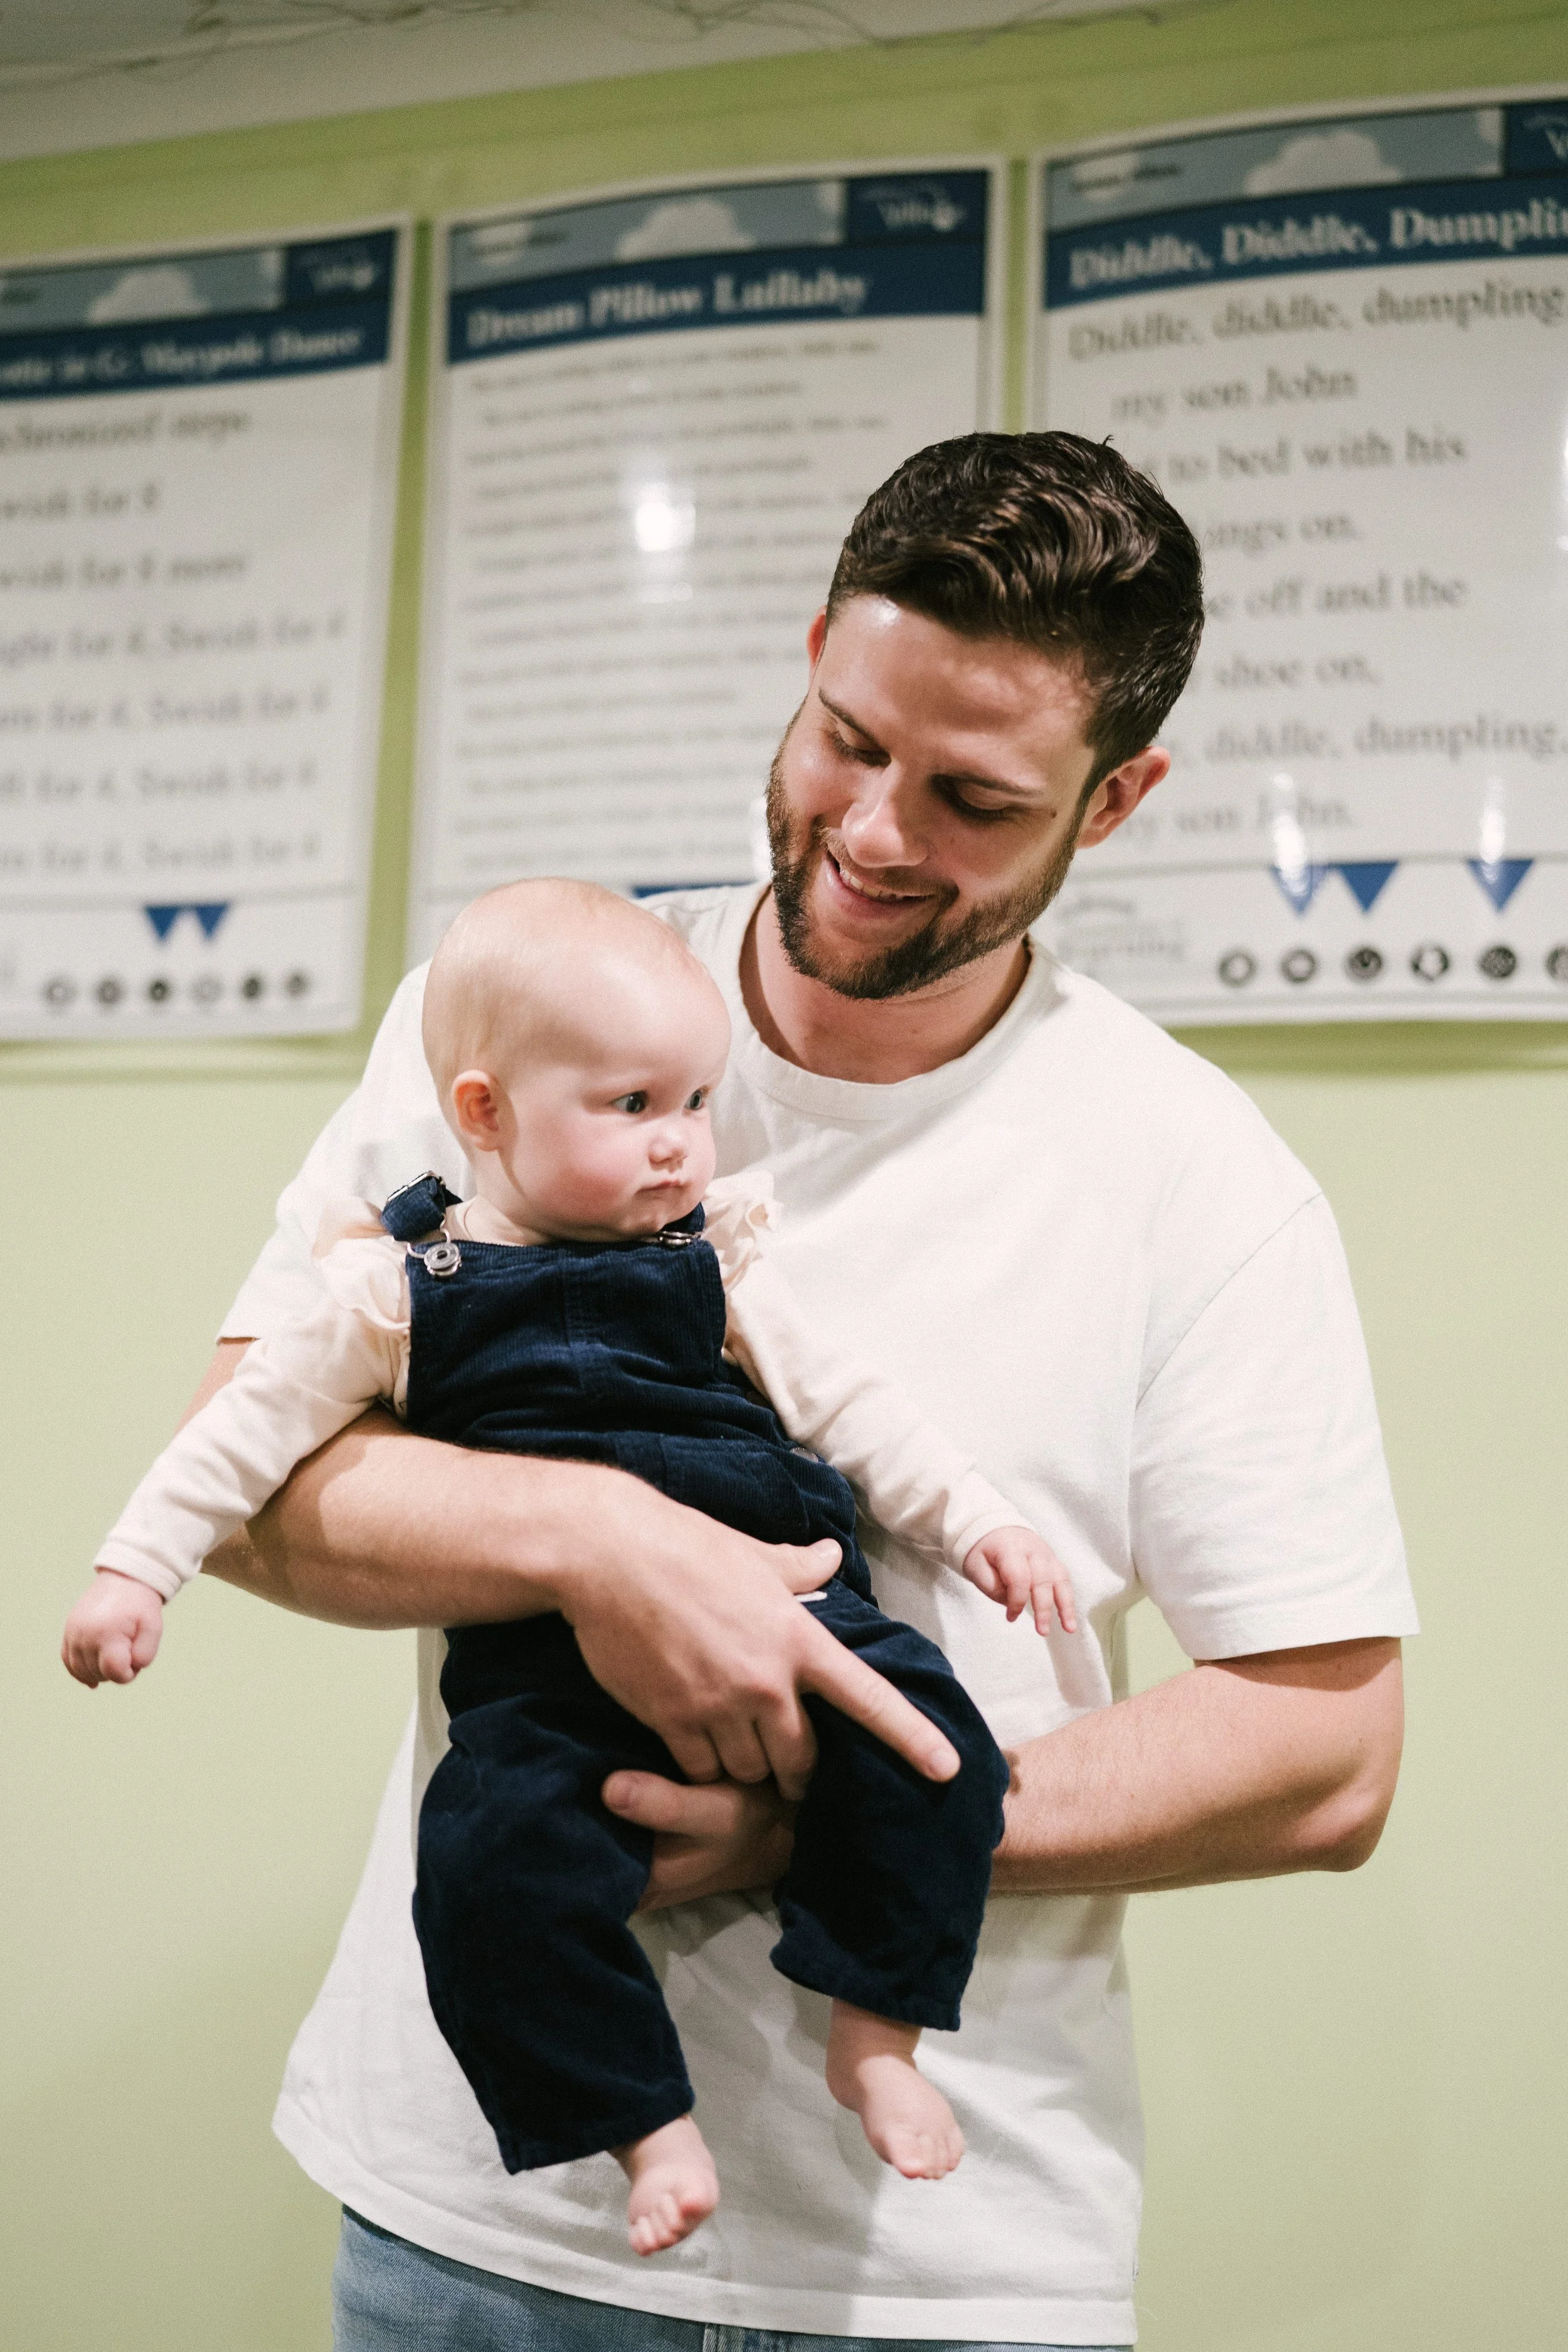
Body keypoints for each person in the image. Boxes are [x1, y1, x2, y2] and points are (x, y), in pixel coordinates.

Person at [164, 432, 1414, 2351]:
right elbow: (245, 1466)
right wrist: (595, 1538)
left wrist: (831, 1812)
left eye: (973, 796)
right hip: (478, 2220)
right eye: (848, 737)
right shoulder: (518, 1008)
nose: (876, 829)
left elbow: (1325, 1747)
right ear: (816, 649)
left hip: (934, 2271)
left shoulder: (1193, 1174)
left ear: (1116, 796)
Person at [65, 877, 1081, 2255]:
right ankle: (638, 2123)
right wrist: (136, 1573)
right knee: (483, 1873)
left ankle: (877, 2031)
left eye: (697, 1101)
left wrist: (979, 1522)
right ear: (483, 1112)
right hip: (543, 1680)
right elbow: (239, 1439)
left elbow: (852, 1408)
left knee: (936, 1754)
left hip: (795, 1602)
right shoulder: (396, 1289)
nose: (680, 1142)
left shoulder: (716, 1262)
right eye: (632, 1105)